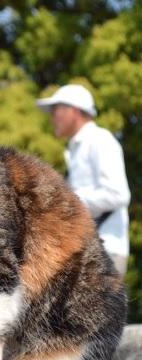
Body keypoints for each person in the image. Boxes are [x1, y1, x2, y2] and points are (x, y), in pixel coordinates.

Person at [36, 84, 131, 276]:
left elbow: (118, 195)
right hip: (90, 250)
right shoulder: (77, 147)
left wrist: (66, 202)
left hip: (105, 251)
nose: (52, 118)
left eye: (55, 111)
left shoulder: (100, 140)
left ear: (73, 111)